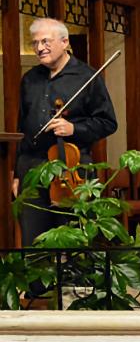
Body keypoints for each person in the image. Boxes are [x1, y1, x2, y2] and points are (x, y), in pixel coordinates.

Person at [13, 18, 118, 246]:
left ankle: (73, 283)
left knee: (75, 242)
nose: (40, 48)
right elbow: (21, 127)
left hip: (72, 166)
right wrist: (16, 173)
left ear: (64, 42)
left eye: (46, 41)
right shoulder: (30, 79)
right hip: (31, 167)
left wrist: (74, 128)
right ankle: (38, 284)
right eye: (35, 43)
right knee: (34, 244)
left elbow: (108, 122)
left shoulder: (87, 77)